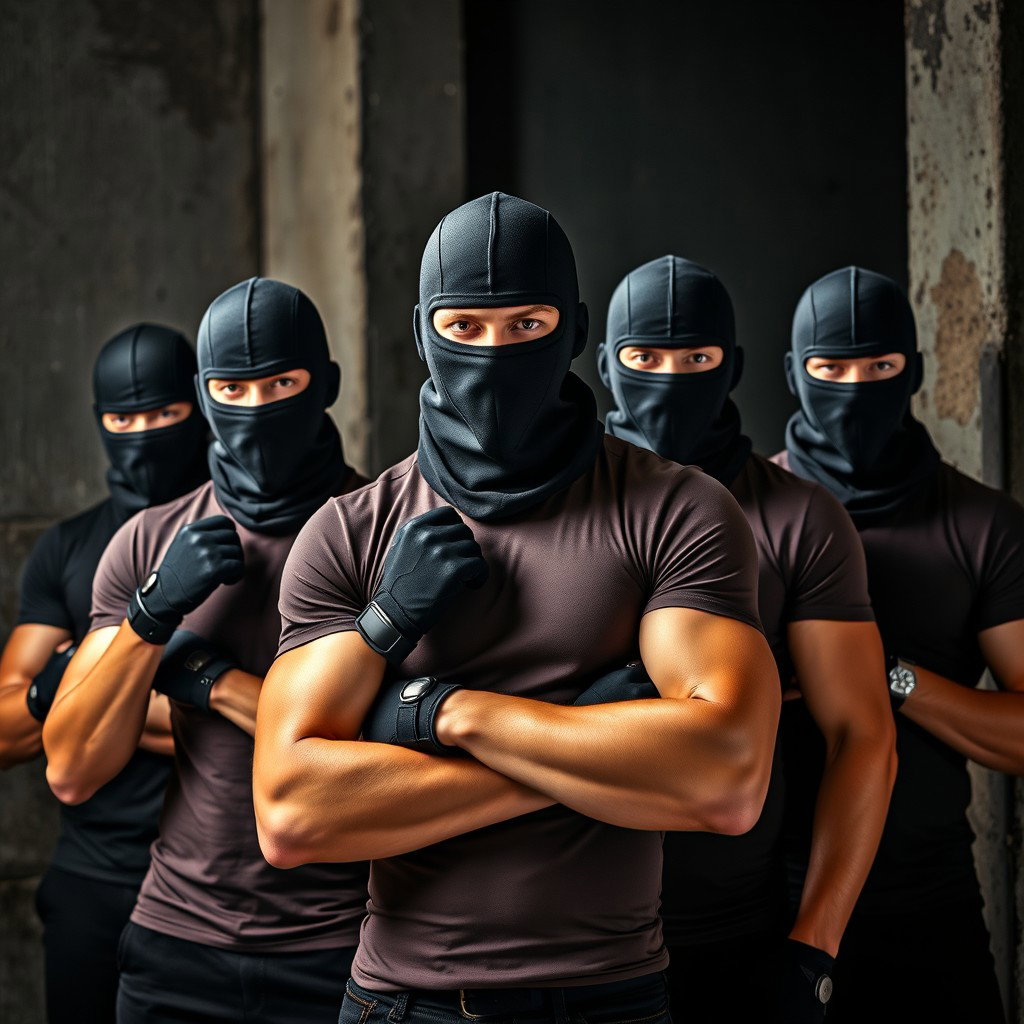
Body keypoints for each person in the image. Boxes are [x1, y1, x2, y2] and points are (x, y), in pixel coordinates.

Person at [253, 193, 781, 1024]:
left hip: (610, 996)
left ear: (572, 331)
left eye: (524, 325)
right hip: (404, 1000)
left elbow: (725, 781)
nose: (493, 352)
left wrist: (447, 713)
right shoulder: (351, 531)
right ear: (424, 331)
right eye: (464, 328)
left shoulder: (676, 510)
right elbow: (292, 815)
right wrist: (586, 744)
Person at [42, 279, 369, 1024]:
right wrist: (149, 616)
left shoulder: (383, 531)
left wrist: (211, 683)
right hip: (174, 942)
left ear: (328, 383)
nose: (255, 410)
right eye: (232, 387)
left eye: (281, 383)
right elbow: (72, 767)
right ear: (204, 392)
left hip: (344, 944)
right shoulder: (150, 540)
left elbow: (388, 739)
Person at [597, 255, 896, 1023]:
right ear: (604, 365)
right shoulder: (543, 506)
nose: (669, 378)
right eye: (644, 358)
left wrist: (813, 946)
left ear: (731, 367)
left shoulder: (799, 518)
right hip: (564, 935)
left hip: (738, 931)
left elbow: (861, 735)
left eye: (694, 358)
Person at [775, 265, 1024, 1023]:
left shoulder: (981, 526)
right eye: (830, 368)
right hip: (769, 902)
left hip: (928, 894)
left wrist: (887, 677)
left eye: (879, 367)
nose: (854, 388)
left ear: (912, 371)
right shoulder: (744, 517)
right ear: (793, 375)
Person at [0, 322, 208, 1024]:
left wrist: (79, 689)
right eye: (124, 418)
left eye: (164, 415)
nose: (143, 434)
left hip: (221, 886)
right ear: (100, 422)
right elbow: (3, 730)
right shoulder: (66, 549)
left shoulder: (250, 539)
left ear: (200, 408)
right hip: (94, 878)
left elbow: (294, 730)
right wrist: (193, 700)